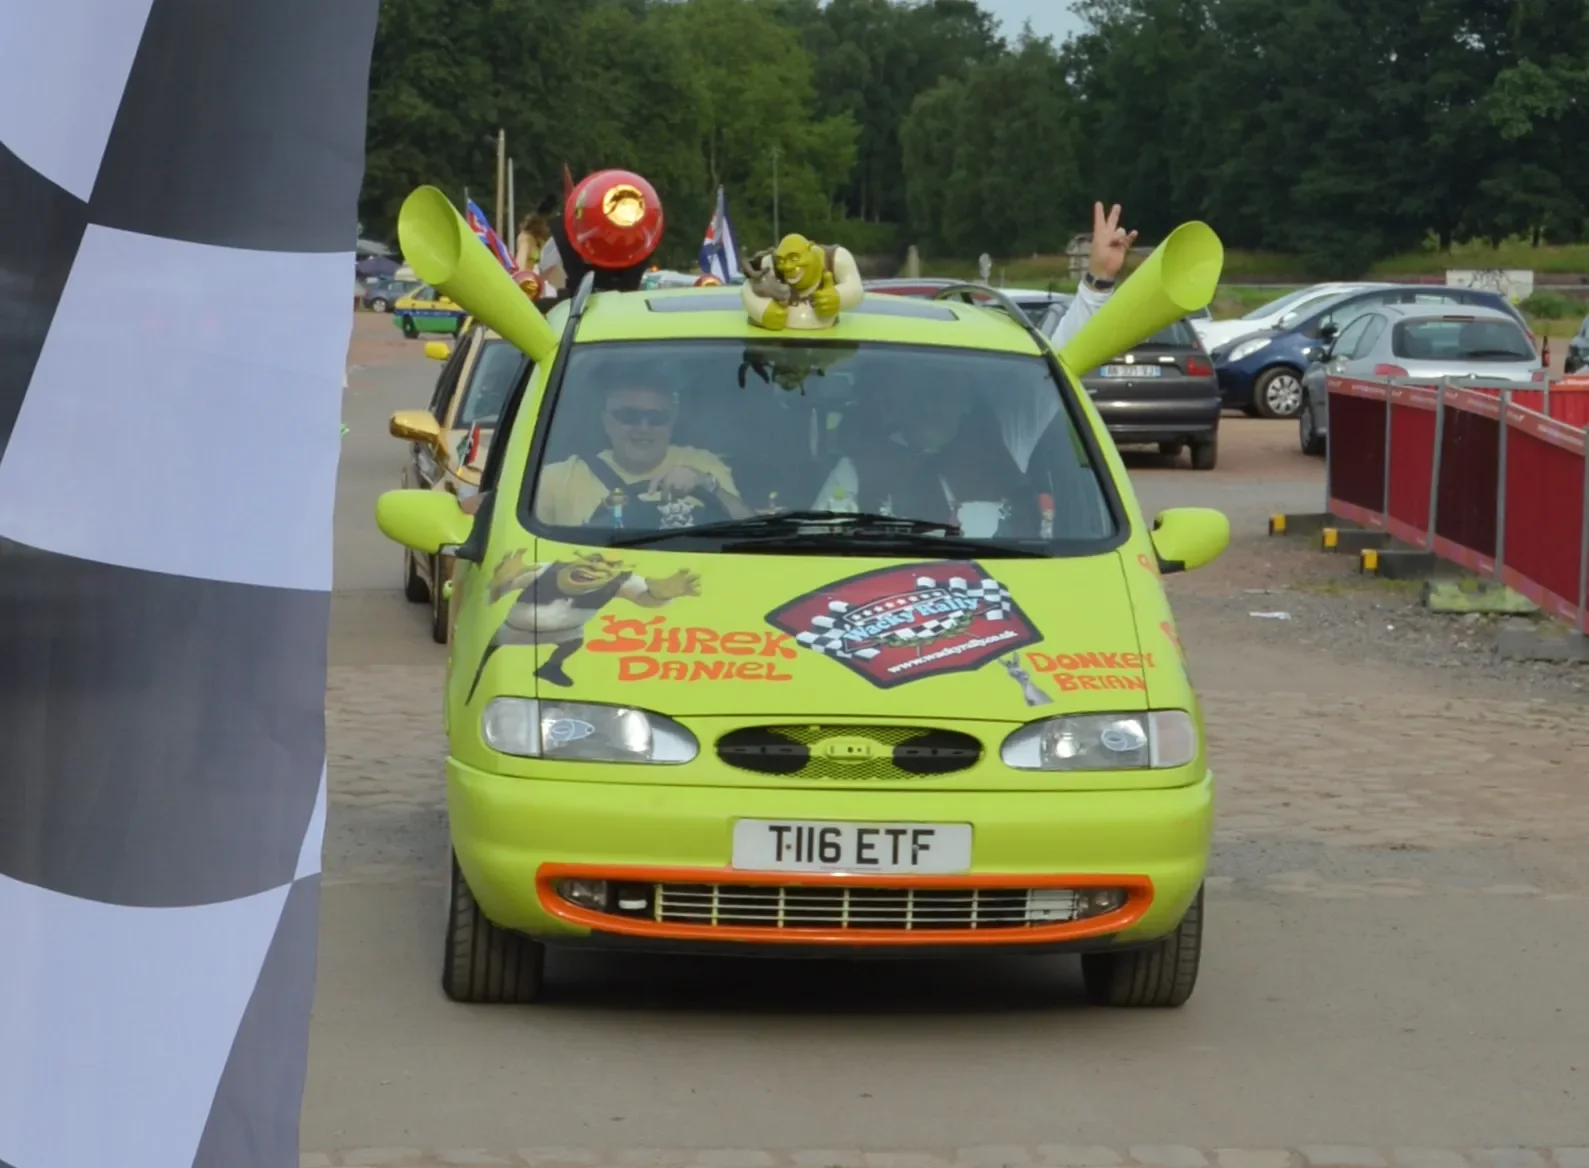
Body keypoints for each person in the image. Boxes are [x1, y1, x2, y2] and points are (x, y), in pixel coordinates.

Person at [810, 201, 1138, 537]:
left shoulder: (1003, 440)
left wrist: (1098, 281)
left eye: (946, 391)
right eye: (922, 393)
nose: (934, 406)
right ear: (899, 401)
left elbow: (1061, 361)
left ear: (967, 401)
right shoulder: (856, 469)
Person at [534, 381, 753, 529]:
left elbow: (749, 533)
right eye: (629, 416)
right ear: (606, 421)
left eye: (656, 417)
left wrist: (705, 482)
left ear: (672, 422)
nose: (643, 427)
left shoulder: (704, 464)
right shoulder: (557, 479)